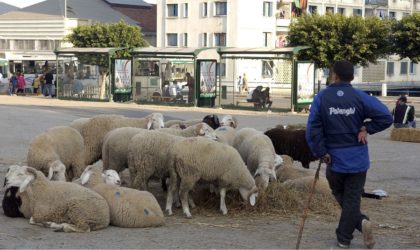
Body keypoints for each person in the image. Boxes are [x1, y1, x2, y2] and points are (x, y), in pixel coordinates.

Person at [306, 60, 393, 249]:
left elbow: (313, 128)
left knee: (339, 193)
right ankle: (356, 225)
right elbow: (387, 117)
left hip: (334, 158)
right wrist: (367, 128)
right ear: (352, 77)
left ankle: (346, 235)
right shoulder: (360, 97)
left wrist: (320, 151)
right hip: (358, 159)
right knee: (352, 198)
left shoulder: (322, 97)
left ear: (334, 75)